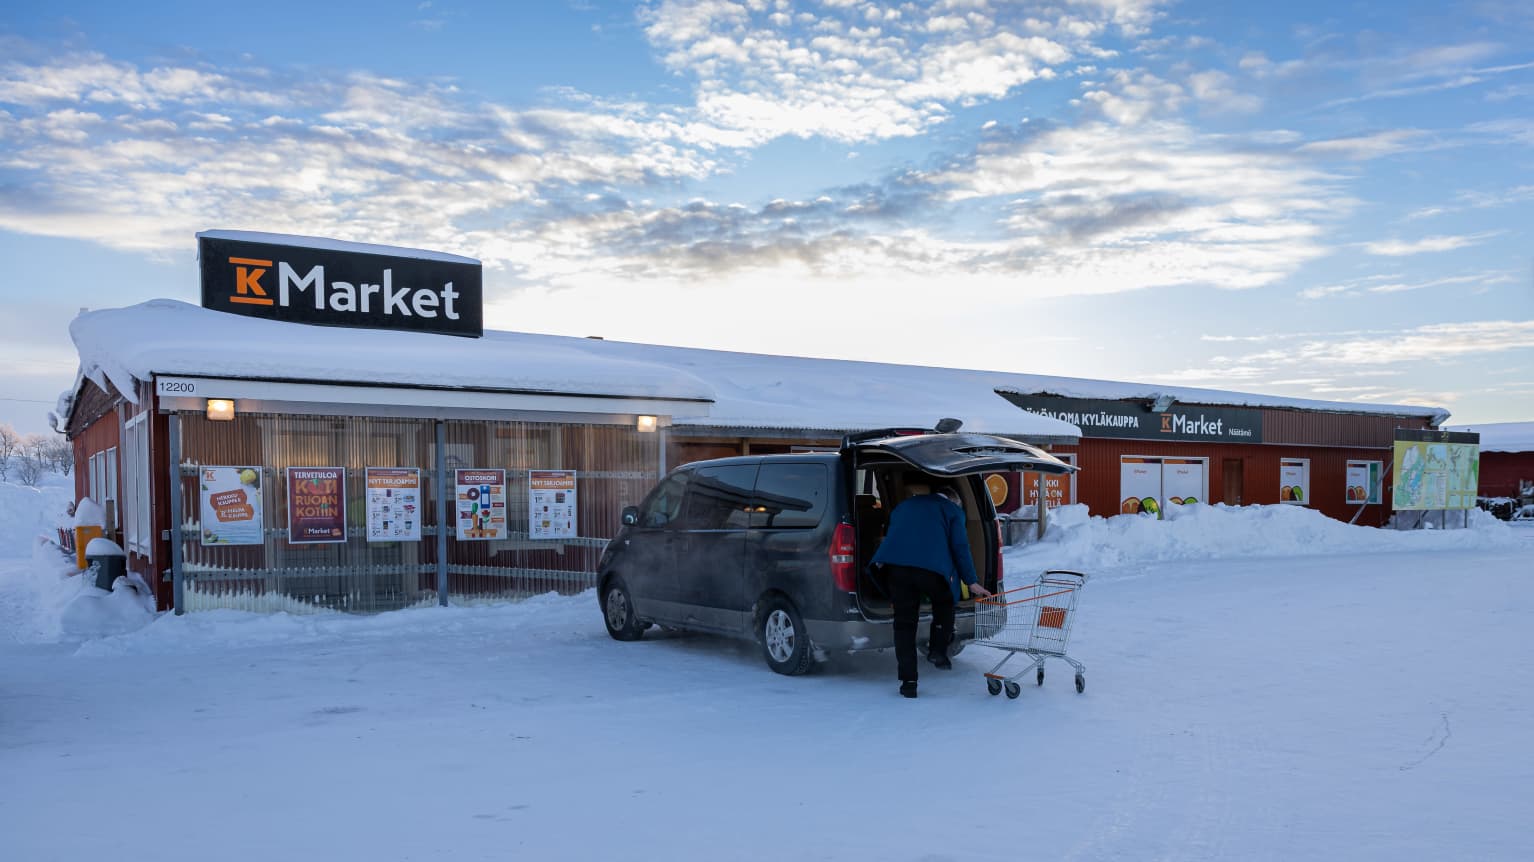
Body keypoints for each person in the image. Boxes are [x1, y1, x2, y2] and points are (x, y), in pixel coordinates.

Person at [870, 483, 992, 698]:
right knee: (945, 604)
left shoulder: (904, 506)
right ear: (953, 499)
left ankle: (908, 682)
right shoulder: (952, 510)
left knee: (904, 624)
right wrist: (971, 581)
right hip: (932, 571)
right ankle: (937, 650)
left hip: (895, 570)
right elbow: (960, 548)